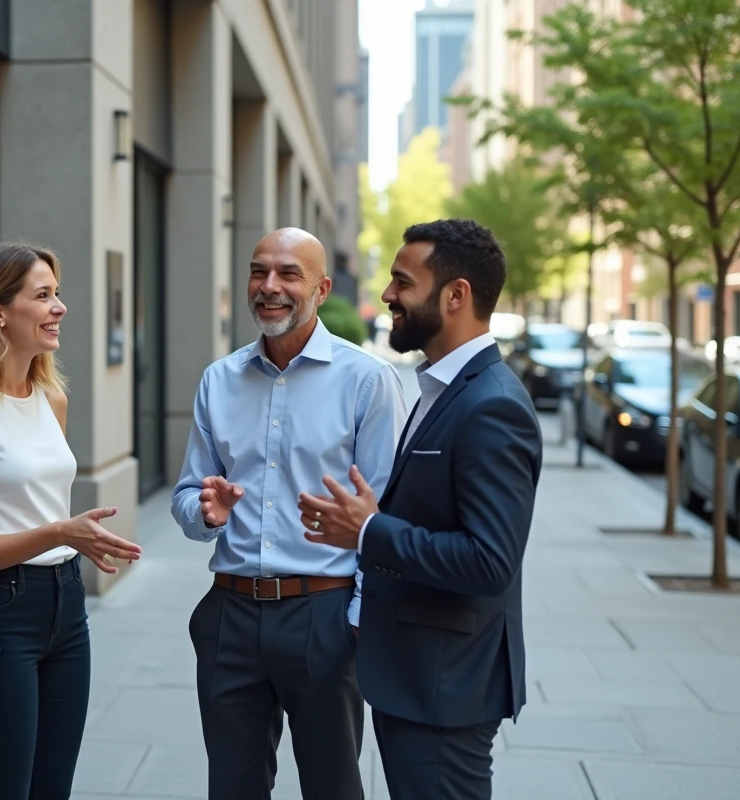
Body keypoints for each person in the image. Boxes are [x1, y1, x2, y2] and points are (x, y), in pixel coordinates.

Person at [296, 219, 542, 800]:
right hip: (422, 676)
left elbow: (489, 561)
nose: (387, 296)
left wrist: (370, 530)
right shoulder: (450, 388)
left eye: (402, 282)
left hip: (446, 686)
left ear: (455, 295)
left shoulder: (491, 406)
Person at [171, 227, 407, 799]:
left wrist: (354, 620)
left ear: (322, 289)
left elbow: (387, 515)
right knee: (232, 787)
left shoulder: (366, 381)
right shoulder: (219, 380)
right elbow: (185, 498)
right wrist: (208, 513)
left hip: (323, 617)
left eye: (288, 274)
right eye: (259, 271)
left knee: (332, 787)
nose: (269, 287)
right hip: (229, 615)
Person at [0, 242, 143, 800]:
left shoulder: (52, 398)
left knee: (54, 788)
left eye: (58, 293)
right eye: (43, 295)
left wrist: (75, 539)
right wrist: (58, 532)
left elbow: (44, 511)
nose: (60, 307)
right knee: (5, 789)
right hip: (1, 611)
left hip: (67, 606)